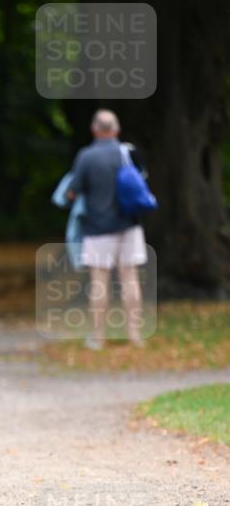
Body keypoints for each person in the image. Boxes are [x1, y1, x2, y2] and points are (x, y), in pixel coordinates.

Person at [67, 109, 148, 349]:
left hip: (98, 227)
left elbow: (72, 192)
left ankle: (98, 336)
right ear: (116, 129)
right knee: (130, 278)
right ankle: (134, 335)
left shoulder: (86, 156)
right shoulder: (128, 153)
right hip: (129, 224)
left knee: (99, 281)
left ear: (94, 129)